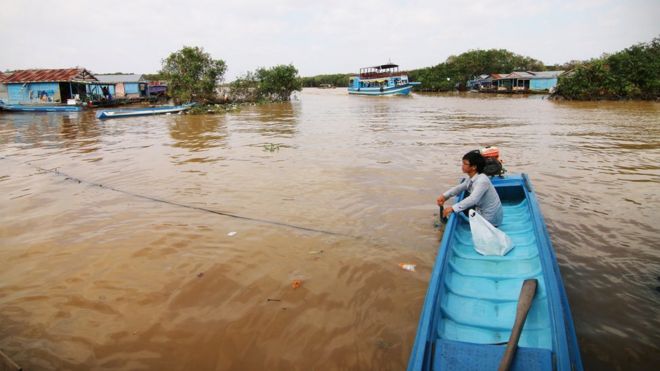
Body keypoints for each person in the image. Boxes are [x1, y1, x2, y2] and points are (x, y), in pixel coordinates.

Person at [437, 150, 504, 226]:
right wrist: (444, 196)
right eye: (463, 163)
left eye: (465, 164)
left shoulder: (482, 181)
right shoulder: (473, 178)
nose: (462, 166)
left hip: (490, 220)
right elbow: (459, 188)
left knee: (459, 208)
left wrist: (453, 208)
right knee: (461, 207)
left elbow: (473, 199)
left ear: (474, 167)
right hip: (482, 212)